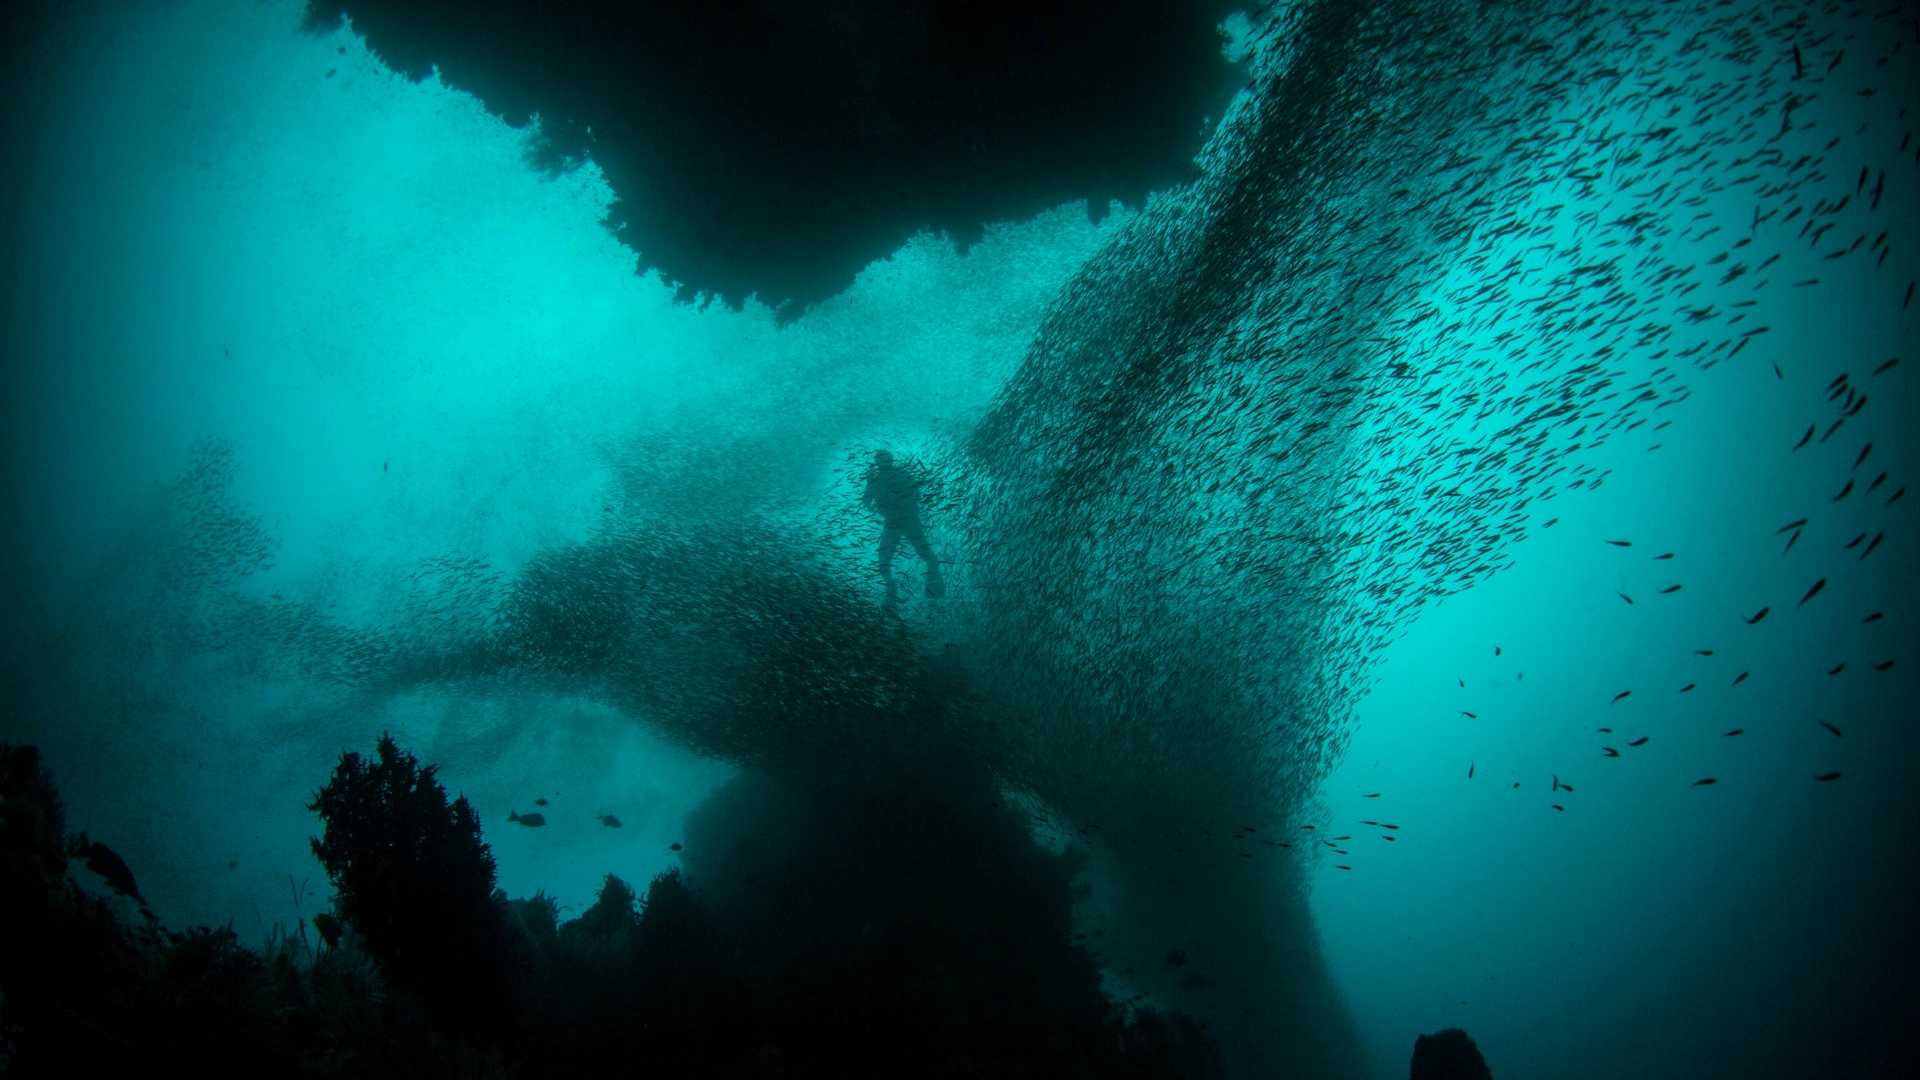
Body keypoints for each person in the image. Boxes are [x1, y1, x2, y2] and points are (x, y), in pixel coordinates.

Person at [861, 449, 944, 604]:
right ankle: (891, 588)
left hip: (909, 520)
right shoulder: (876, 480)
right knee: (883, 560)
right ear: (877, 463)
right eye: (879, 460)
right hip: (892, 523)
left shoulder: (902, 474)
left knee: (924, 552)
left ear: (891, 461)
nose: (882, 463)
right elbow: (866, 502)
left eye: (885, 460)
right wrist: (869, 482)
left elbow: (916, 495)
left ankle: (935, 584)